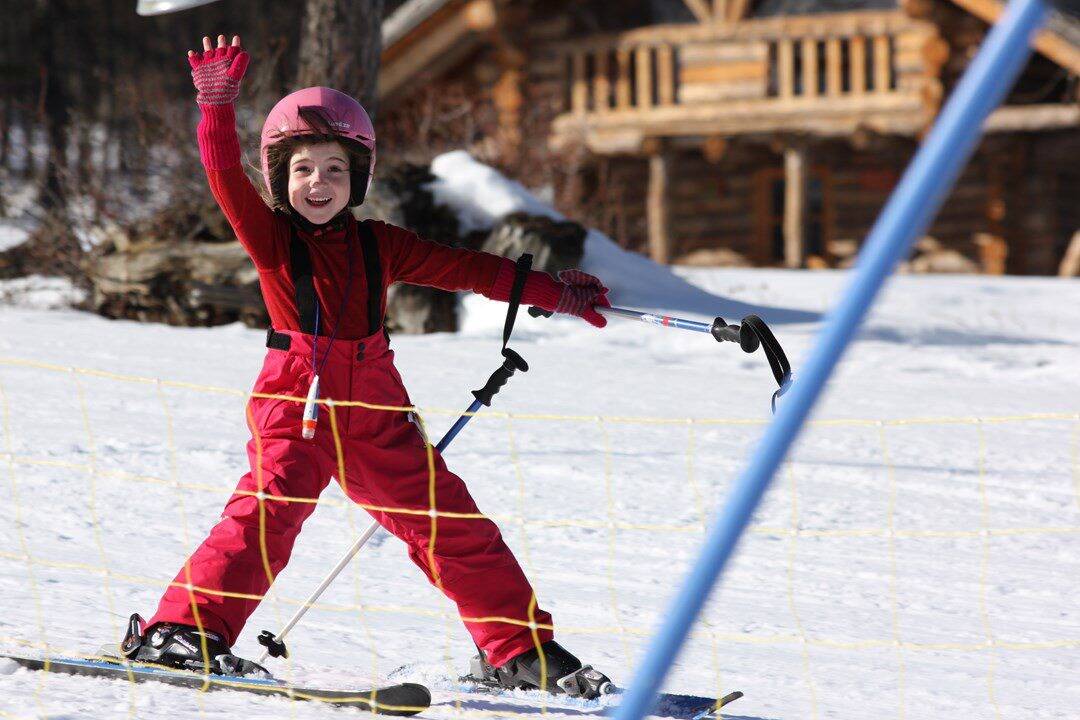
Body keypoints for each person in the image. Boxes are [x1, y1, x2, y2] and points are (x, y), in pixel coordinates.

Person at [118, 34, 612, 697]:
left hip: (376, 404)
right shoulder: (271, 240)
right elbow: (223, 177)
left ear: (358, 178)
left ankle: (518, 649)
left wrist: (554, 291)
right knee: (270, 510)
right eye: (301, 170)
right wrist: (216, 107)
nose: (317, 184)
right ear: (278, 178)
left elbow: (470, 269)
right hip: (298, 399)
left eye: (333, 169)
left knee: (452, 522)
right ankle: (181, 632)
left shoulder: (382, 245)